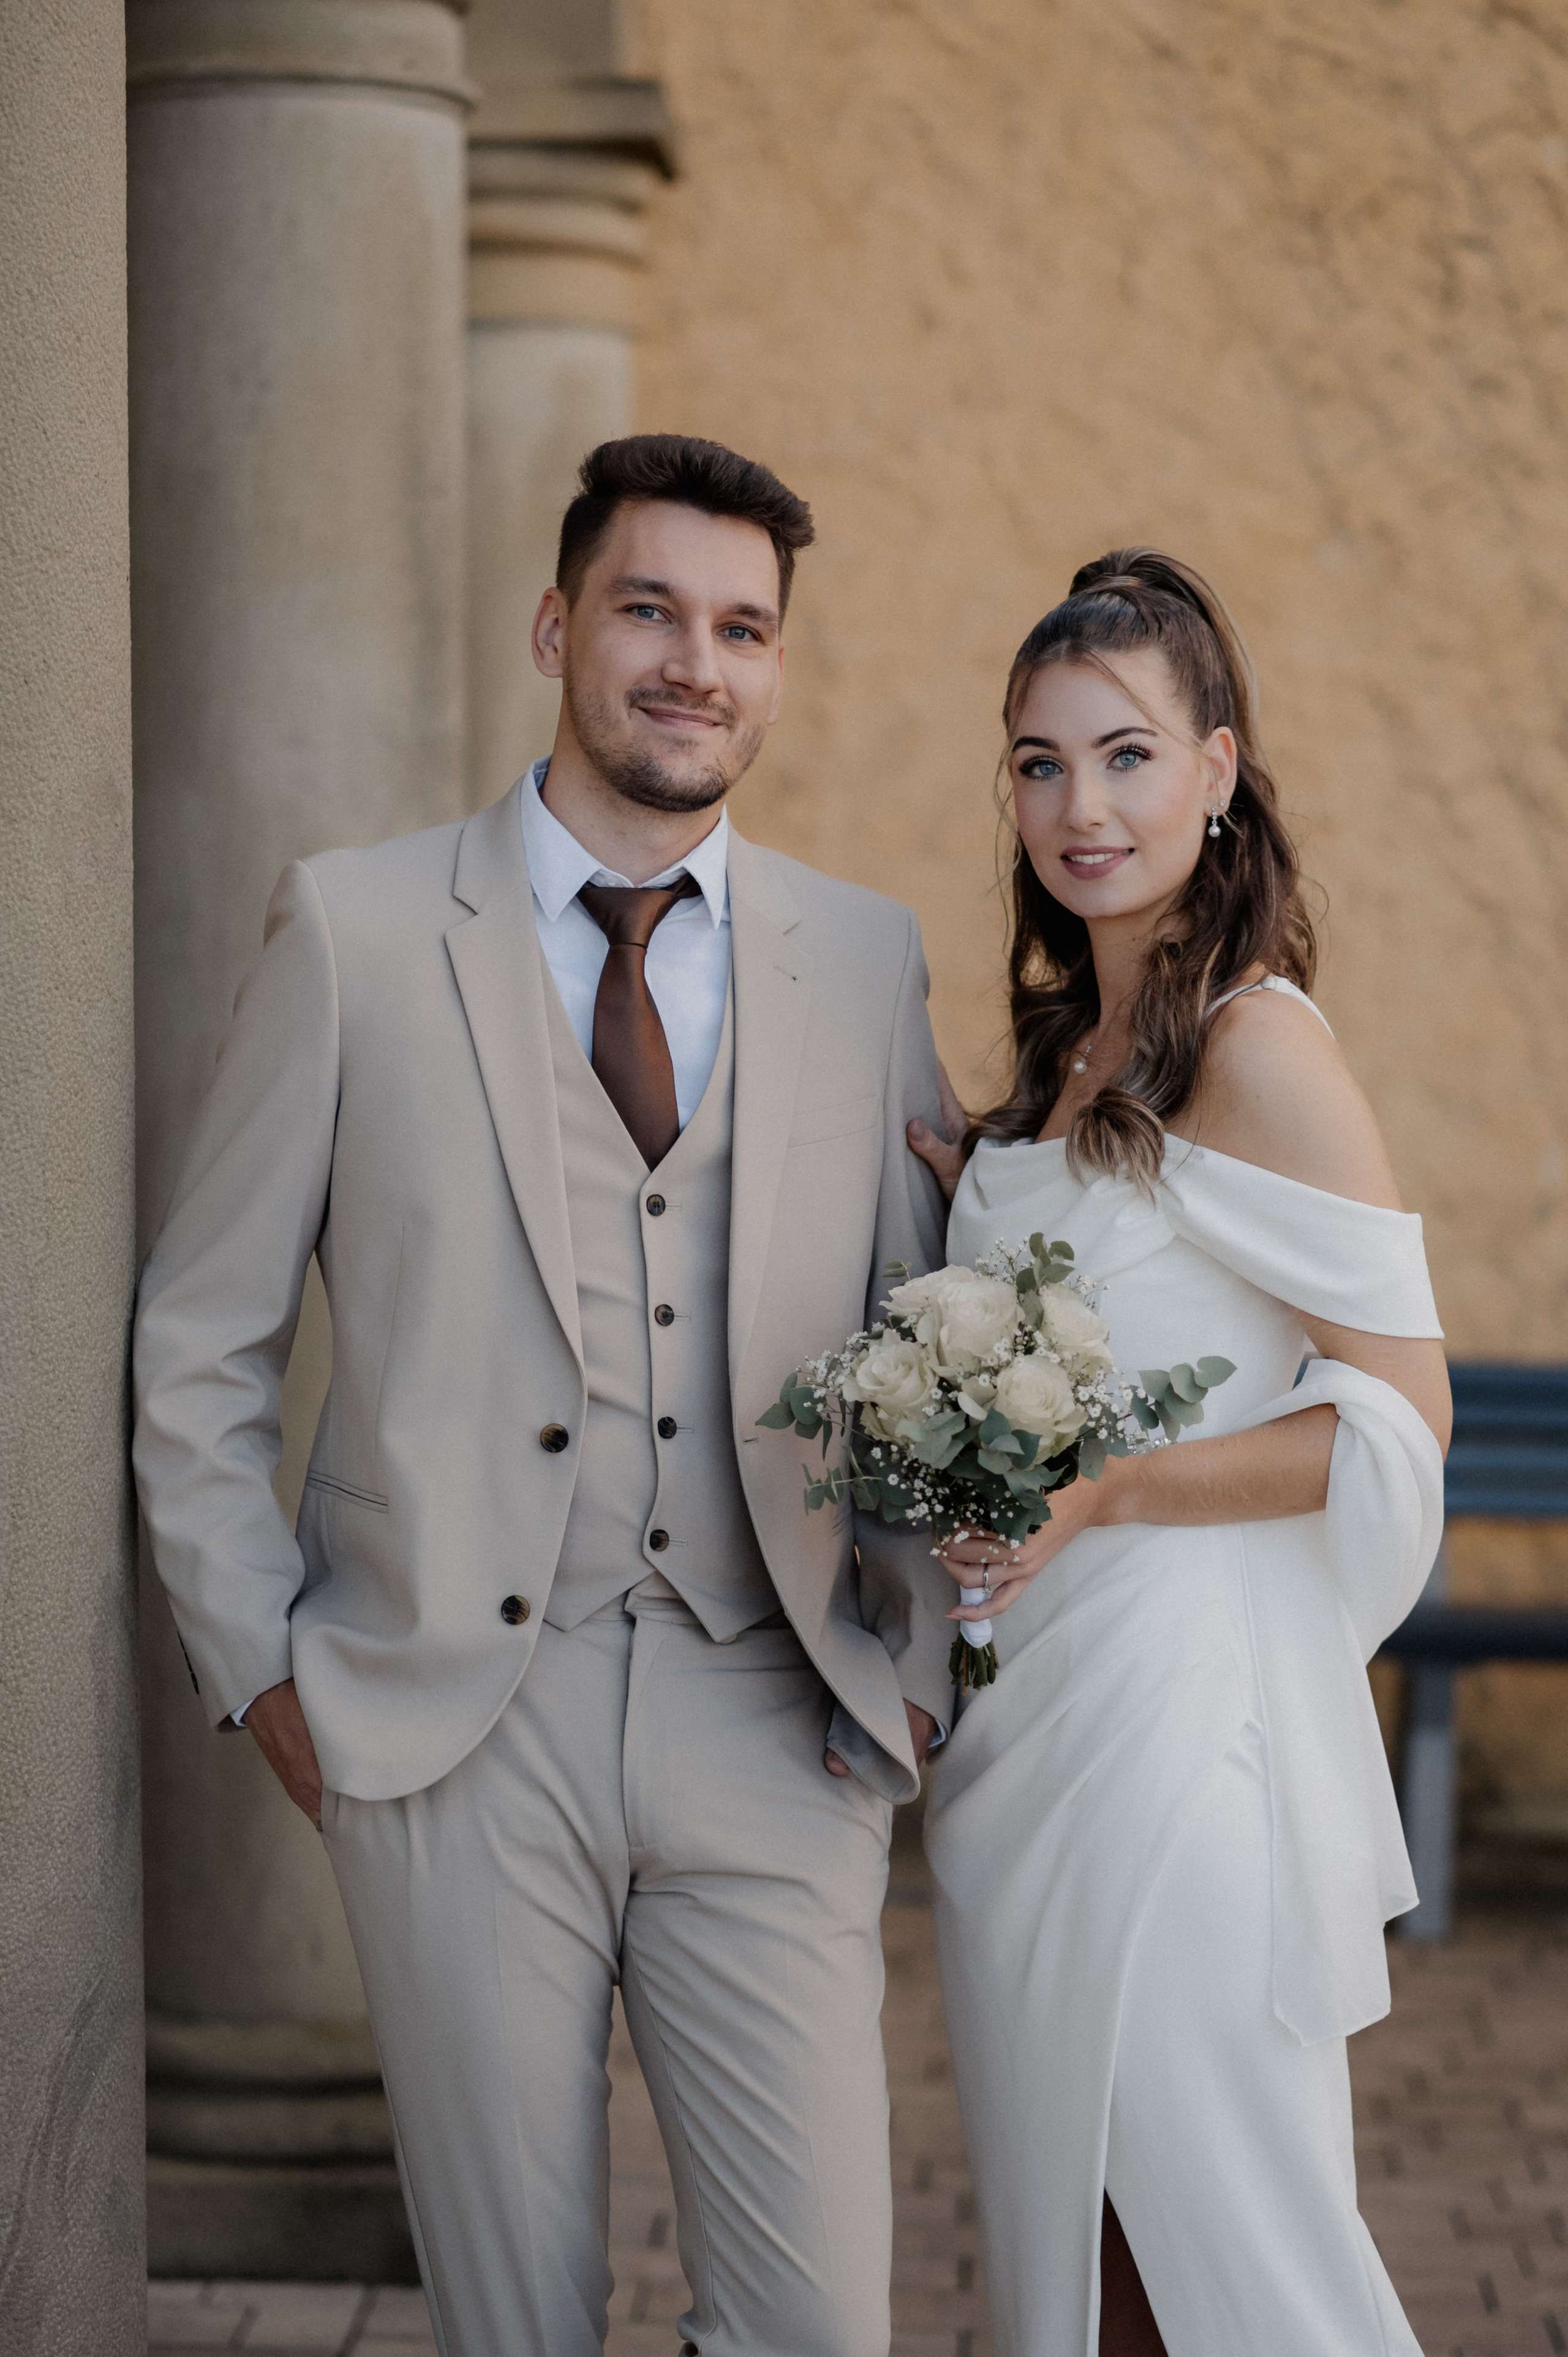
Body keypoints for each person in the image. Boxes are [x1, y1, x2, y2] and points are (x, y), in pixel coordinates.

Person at [133, 433, 954, 2357]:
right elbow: (201, 1336)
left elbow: (926, 1337)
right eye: (650, 609)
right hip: (450, 1731)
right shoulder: (355, 927)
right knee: (519, 2326)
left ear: (776, 667)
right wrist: (265, 1668)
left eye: (742, 627)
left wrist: (907, 1657)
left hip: (777, 1721)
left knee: (818, 2325)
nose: (696, 662)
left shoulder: (865, 953)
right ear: (557, 625)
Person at [906, 548, 1450, 2357]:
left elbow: (1395, 1412)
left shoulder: (1258, 1044)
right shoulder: (1072, 1050)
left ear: (1219, 769)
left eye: (1130, 755)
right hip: (1028, 1719)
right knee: (1092, 2243)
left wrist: (1109, 1495)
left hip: (1175, 1733)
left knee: (1239, 2239)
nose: (1085, 806)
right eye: (1042, 763)